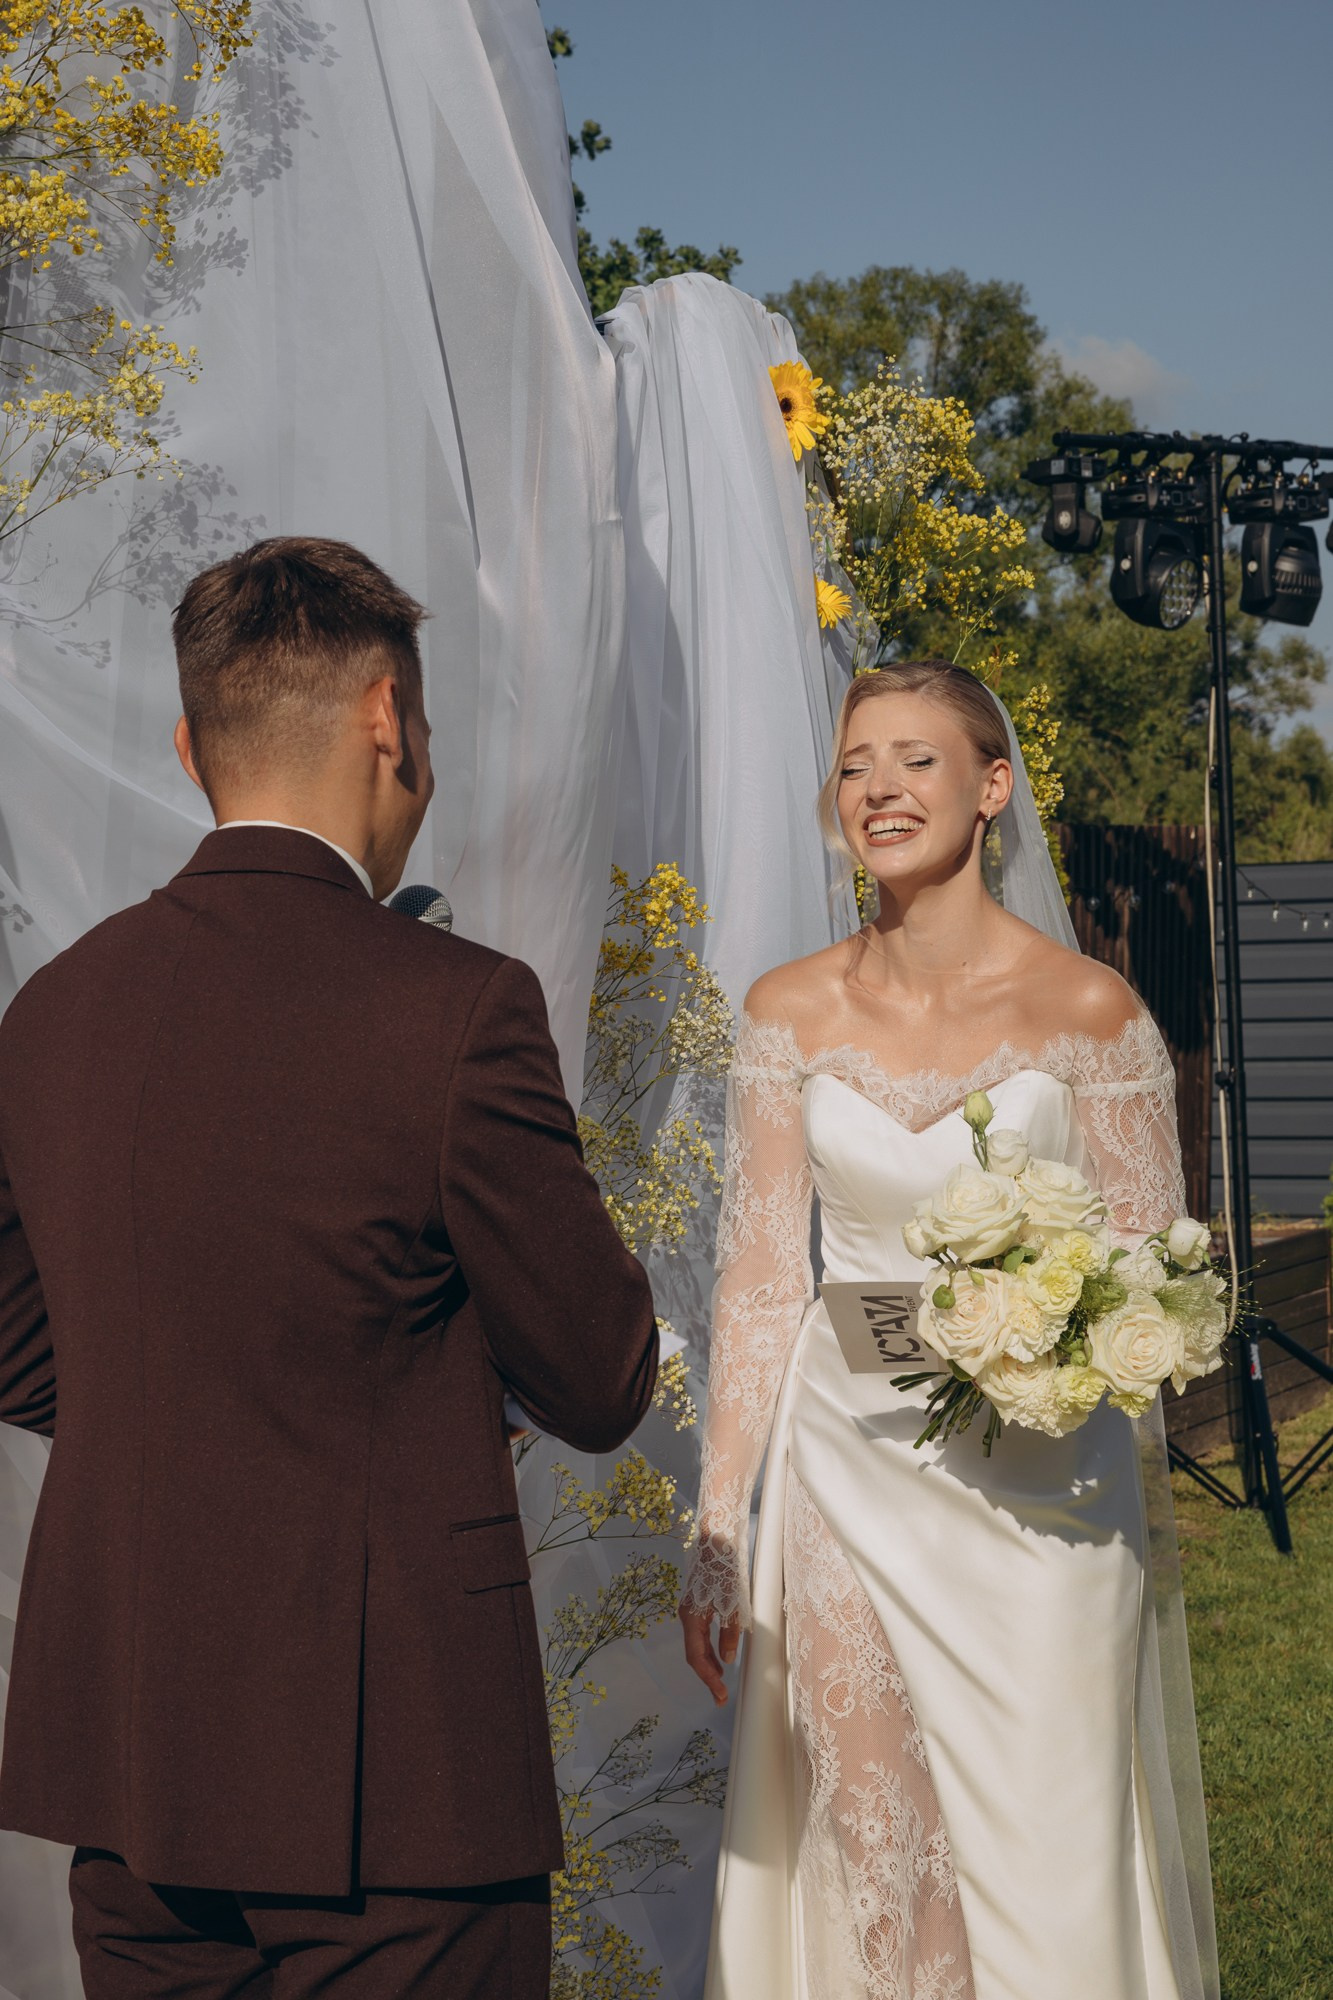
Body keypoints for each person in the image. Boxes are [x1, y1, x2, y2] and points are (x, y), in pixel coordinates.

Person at [0, 536, 658, 1999]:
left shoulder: (52, 1012)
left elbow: (20, 1345)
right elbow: (600, 1373)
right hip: (397, 1778)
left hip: (133, 1762)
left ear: (191, 747)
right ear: (386, 720)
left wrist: (188, 1402)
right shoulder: (455, 1008)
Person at [678, 661, 1217, 2000]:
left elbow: (1159, 1281)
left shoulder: (1090, 1014)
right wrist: (720, 1521)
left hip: (1044, 1498)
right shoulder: (786, 1013)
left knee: (1043, 1867)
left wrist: (1042, 1334)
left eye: (916, 760)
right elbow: (760, 1280)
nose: (878, 788)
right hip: (847, 1469)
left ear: (990, 788)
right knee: (880, 1849)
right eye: (855, 764)